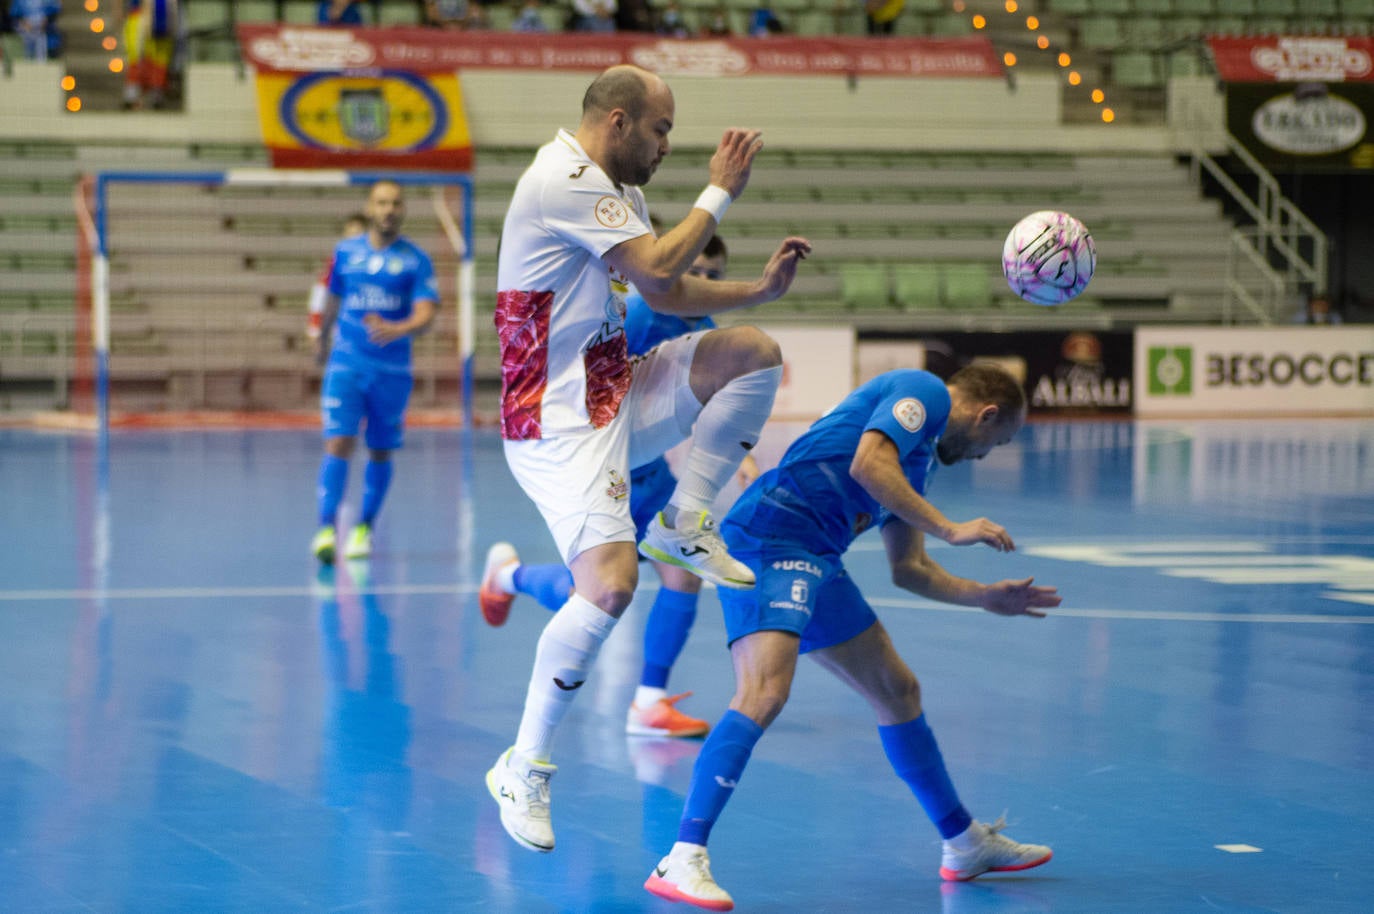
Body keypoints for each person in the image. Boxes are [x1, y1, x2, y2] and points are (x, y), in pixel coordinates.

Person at [484, 64, 811, 855]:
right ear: (619, 121)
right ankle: (523, 767)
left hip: (612, 391)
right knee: (609, 586)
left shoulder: (619, 193)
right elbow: (663, 269)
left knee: (752, 354)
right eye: (662, 130)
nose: (668, 146)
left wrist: (757, 293)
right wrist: (720, 190)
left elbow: (659, 295)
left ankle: (684, 521)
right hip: (553, 422)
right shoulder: (563, 178)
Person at [643, 363, 1061, 910]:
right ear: (986, 415)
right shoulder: (924, 392)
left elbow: (910, 569)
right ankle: (681, 858)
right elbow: (867, 464)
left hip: (816, 555)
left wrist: (984, 596)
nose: (984, 456)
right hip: (769, 539)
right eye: (996, 442)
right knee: (763, 694)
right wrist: (951, 528)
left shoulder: (918, 463)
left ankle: (964, 844)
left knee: (897, 690)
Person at [480, 235, 759, 741]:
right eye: (696, 271)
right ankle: (508, 577)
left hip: (647, 476)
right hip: (598, 474)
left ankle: (649, 702)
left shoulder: (704, 329)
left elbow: (717, 399)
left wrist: (744, 454)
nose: (705, 283)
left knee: (682, 574)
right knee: (592, 594)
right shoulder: (634, 319)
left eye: (714, 276)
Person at [311, 181, 439, 564]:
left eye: (395, 203)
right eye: (382, 203)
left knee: (380, 450)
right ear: (370, 207)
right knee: (338, 442)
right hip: (347, 362)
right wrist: (320, 337)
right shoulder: (345, 252)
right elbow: (332, 298)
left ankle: (363, 528)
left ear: (403, 210)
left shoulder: (416, 260)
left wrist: (398, 328)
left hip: (392, 371)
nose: (388, 209)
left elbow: (426, 313)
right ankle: (326, 529)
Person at [307, 213, 368, 346]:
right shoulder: (336, 263)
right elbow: (321, 293)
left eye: (358, 234)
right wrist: (314, 326)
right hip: (341, 329)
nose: (353, 239)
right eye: (350, 234)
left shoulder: (377, 262)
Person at [120, 0, 177, 110]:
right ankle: (132, 95)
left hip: (161, 17)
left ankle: (156, 94)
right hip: (139, 16)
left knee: (159, 59)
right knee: (137, 58)